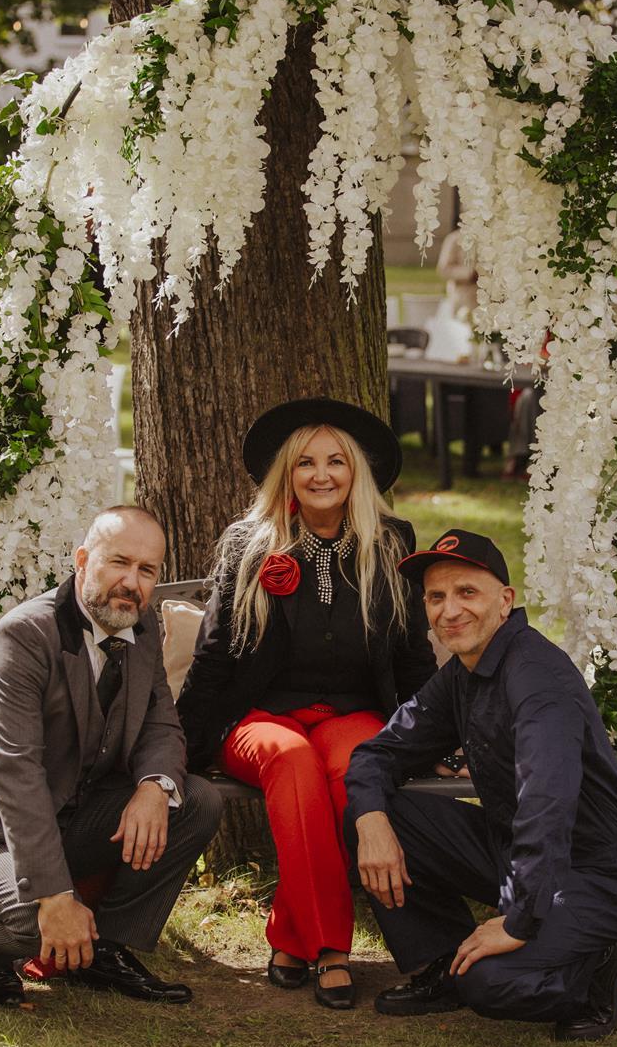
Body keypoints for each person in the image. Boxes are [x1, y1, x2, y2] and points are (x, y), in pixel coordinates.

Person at [0, 506, 225, 1009]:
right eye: (119, 562)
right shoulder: (24, 637)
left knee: (196, 801)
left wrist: (153, 787)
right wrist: (55, 898)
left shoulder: (139, 628)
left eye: (147, 570)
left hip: (69, 814)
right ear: (82, 561)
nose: (131, 582)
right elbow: (15, 775)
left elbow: (161, 723)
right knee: (39, 923)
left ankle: (104, 948)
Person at [177, 398, 437, 1011]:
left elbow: (411, 654)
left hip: (352, 712)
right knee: (292, 760)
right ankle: (331, 948)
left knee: (356, 768)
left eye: (336, 461)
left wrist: (437, 734)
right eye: (306, 463)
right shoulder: (249, 543)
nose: (322, 475)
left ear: (356, 471)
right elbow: (214, 654)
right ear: (287, 474)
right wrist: (179, 744)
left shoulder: (391, 540)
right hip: (259, 716)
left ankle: (291, 936)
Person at [345, 528, 617, 1042]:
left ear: (505, 601)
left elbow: (546, 803)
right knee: (374, 813)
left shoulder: (536, 676)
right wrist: (371, 824)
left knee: (489, 984)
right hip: (510, 848)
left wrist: (517, 921)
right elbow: (377, 754)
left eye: (467, 592)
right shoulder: (463, 670)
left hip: (591, 871)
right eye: (436, 597)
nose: (449, 611)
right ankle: (443, 963)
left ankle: (596, 969)